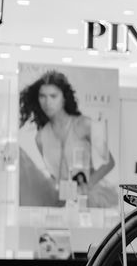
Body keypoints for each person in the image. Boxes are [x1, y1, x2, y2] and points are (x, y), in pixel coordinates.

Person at [18, 69, 116, 207]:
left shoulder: (84, 124)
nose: (47, 102)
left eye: (53, 96)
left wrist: (87, 186)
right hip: (62, 200)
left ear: (63, 97)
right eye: (42, 96)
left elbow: (109, 162)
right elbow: (54, 176)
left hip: (92, 197)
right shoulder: (40, 138)